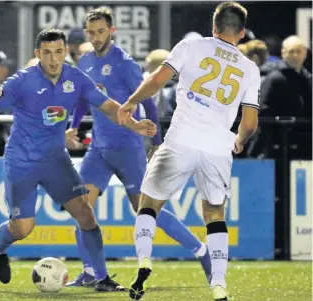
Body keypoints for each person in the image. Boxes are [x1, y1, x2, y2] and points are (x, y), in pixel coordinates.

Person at [0, 28, 156, 292]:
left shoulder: (76, 78)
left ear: (66, 52)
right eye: (48, 53)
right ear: (38, 54)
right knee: (23, 228)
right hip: (22, 162)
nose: (54, 59)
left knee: (86, 214)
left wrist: (134, 125)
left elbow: (108, 106)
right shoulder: (21, 81)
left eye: (59, 52)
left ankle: (101, 277)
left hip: (55, 160)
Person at [117, 2, 259, 300]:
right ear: (242, 33)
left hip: (182, 137)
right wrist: (241, 139)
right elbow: (249, 121)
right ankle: (218, 285)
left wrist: (131, 102)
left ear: (214, 26)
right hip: (218, 144)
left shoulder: (191, 47)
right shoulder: (250, 68)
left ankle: (144, 260)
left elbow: (157, 80)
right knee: (214, 213)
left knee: (149, 203)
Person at [66, 7, 212, 289]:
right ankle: (91, 272)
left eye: (101, 31)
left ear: (111, 31)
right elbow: (86, 98)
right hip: (98, 148)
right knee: (81, 207)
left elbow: (147, 100)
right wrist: (74, 124)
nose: (96, 37)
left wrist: (156, 142)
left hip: (127, 147)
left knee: (146, 209)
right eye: (91, 32)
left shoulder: (124, 63)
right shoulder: (84, 62)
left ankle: (202, 252)